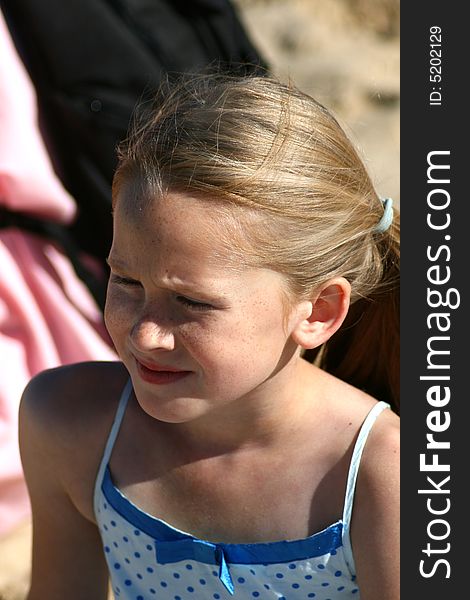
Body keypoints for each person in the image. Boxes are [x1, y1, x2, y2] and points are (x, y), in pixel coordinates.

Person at [19, 73, 400, 600]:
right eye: (126, 282)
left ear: (317, 310)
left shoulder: (386, 475)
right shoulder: (70, 424)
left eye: (192, 302)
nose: (147, 334)